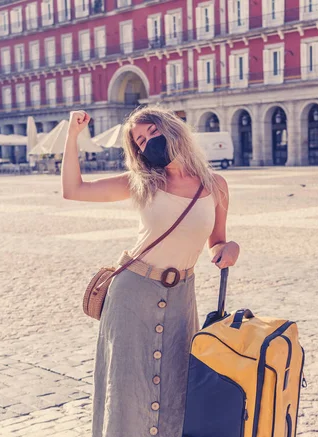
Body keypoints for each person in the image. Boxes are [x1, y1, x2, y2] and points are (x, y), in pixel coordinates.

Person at [61, 108, 240, 437]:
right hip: (133, 295)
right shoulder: (142, 183)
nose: (147, 145)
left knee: (177, 388)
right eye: (140, 142)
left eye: (151, 134)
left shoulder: (216, 185)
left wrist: (229, 250)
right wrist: (73, 135)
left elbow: (217, 241)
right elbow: (74, 189)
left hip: (182, 300)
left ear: (170, 129)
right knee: (128, 392)